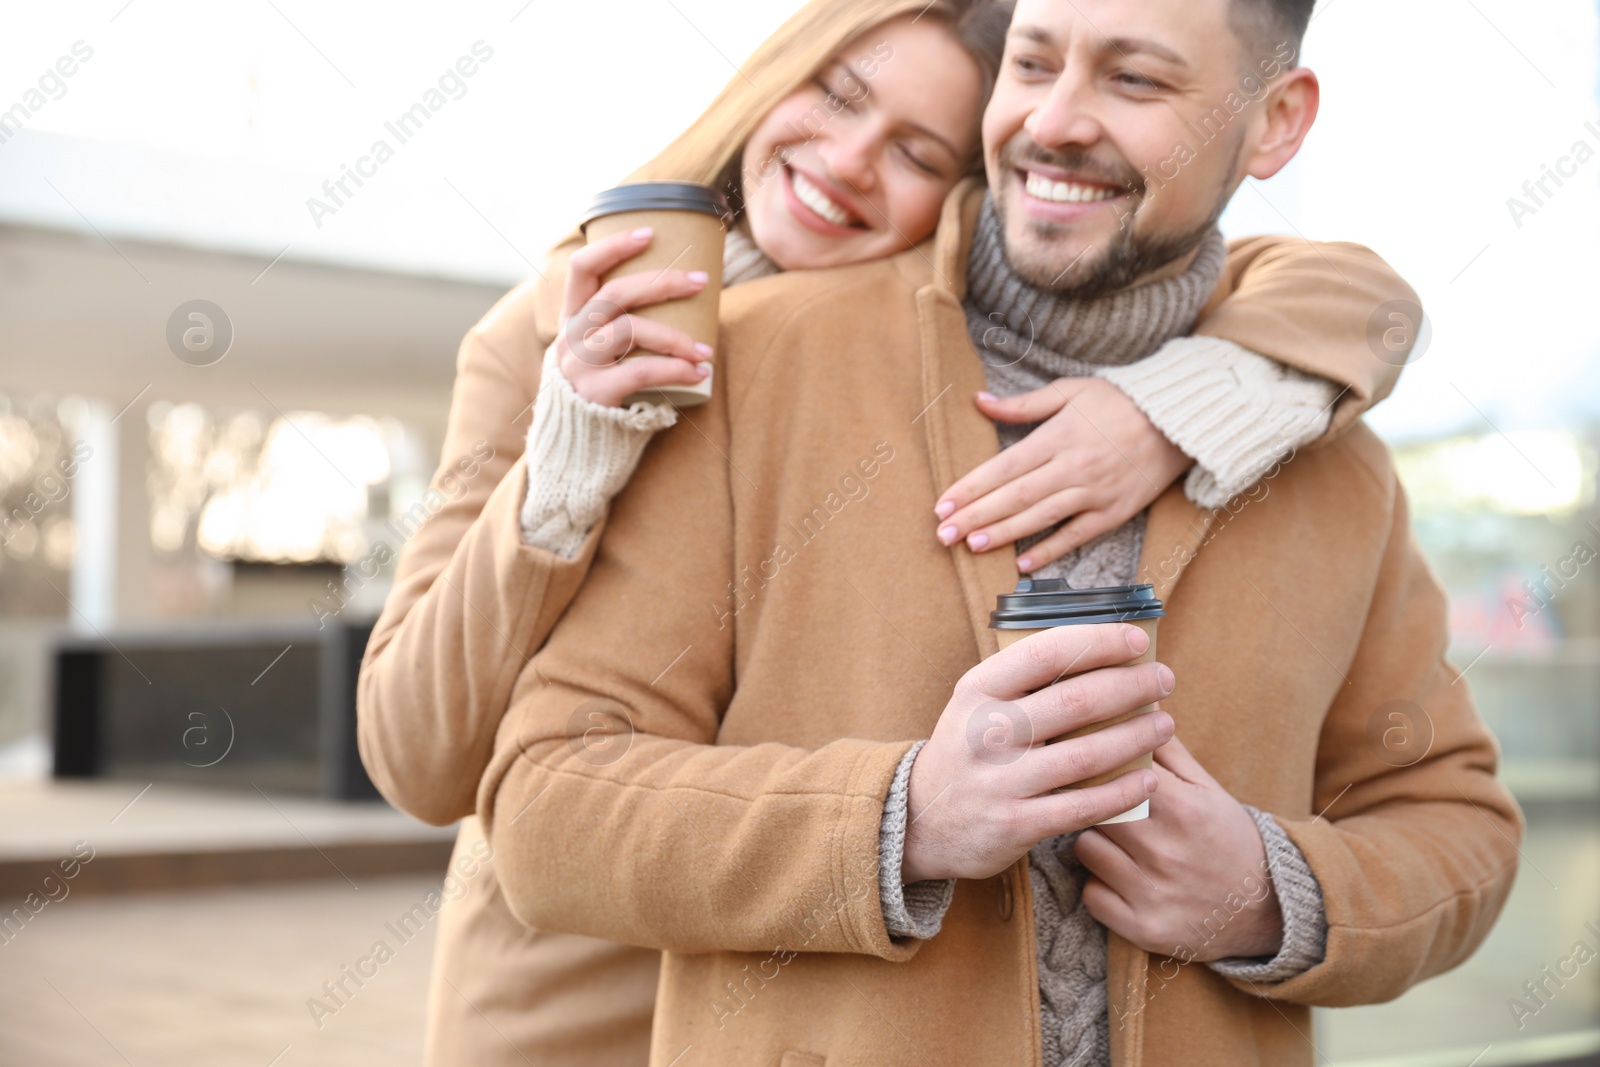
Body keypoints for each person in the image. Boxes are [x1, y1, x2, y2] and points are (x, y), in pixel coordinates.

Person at [358, 1, 1424, 1064]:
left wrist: (1184, 404)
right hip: (571, 1004)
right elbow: (427, 759)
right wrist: (569, 462)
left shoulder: (936, 339)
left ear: (963, 187)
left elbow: (1356, 293)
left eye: (915, 150)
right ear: (771, 79)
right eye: (837, 95)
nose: (848, 161)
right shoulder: (557, 336)